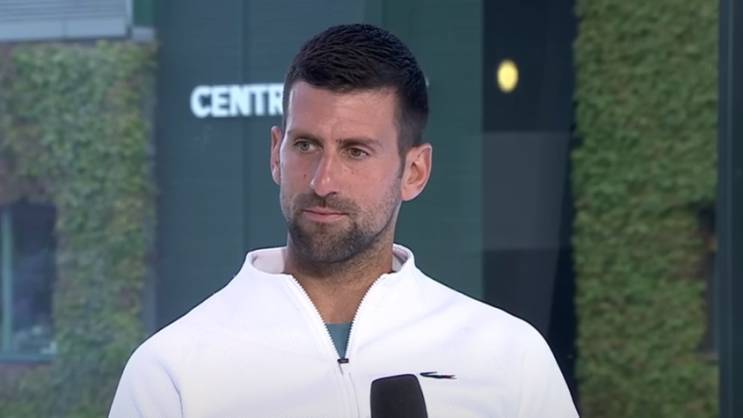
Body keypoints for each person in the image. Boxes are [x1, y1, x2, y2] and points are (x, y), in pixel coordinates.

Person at [109, 23, 579, 418]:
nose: (323, 180)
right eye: (305, 145)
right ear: (275, 153)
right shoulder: (172, 372)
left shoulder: (509, 358)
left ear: (414, 172)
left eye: (355, 151)